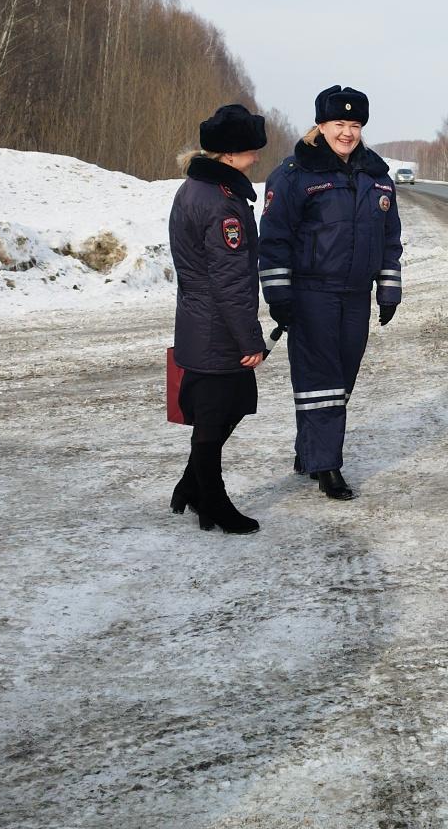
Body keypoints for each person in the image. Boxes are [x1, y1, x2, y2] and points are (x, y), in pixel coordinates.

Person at [257, 85, 403, 500]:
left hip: (355, 296)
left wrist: (388, 289)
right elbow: (274, 238)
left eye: (355, 125)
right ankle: (327, 466)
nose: (347, 132)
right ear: (320, 125)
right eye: (339, 123)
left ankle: (310, 454)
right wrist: (279, 294)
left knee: (341, 380)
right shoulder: (293, 175)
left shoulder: (377, 177)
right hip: (311, 293)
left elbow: (390, 237)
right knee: (320, 379)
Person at [168, 103, 270, 534]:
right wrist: (250, 340)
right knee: (215, 418)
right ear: (230, 155)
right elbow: (228, 281)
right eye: (251, 150)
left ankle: (192, 487)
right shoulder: (221, 205)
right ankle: (212, 500)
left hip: (203, 321)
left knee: (227, 410)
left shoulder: (197, 188)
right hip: (218, 329)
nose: (257, 157)